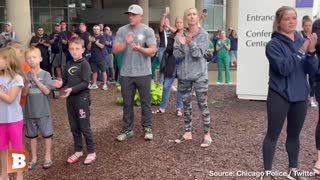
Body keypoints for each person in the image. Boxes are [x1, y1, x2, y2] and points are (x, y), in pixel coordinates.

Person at [261, 6, 318, 180]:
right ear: (279, 22)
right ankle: (267, 173)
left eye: (294, 18)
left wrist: (311, 53)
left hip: (300, 95)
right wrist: (301, 51)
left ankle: (293, 170)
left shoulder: (302, 40)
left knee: (294, 136)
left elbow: (311, 69)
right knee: (273, 134)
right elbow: (284, 68)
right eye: (287, 18)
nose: (292, 21)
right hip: (279, 94)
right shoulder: (273, 44)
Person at [113, 4, 157, 142]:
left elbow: (153, 51)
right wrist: (126, 43)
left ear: (140, 16)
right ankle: (127, 130)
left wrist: (140, 49)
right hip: (126, 73)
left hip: (143, 72)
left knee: (146, 103)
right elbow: (115, 50)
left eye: (133, 14)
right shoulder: (122, 30)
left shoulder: (148, 30)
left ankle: (147, 128)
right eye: (129, 14)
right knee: (127, 103)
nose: (130, 17)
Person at [51, 37, 96, 165]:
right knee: (74, 126)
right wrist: (60, 84)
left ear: (83, 49)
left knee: (84, 126)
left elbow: (86, 83)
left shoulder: (85, 64)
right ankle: (78, 150)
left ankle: (92, 152)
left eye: (77, 49)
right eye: (72, 49)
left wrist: (72, 88)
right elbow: (65, 79)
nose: (74, 51)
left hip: (82, 99)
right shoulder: (69, 64)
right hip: (70, 99)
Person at [173, 8, 212, 148]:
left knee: (203, 104)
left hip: (200, 76)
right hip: (184, 75)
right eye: (189, 14)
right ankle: (187, 132)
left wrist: (190, 43)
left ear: (197, 17)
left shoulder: (204, 35)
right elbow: (176, 55)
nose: (192, 16)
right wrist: (183, 45)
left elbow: (198, 54)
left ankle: (207, 134)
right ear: (186, 18)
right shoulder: (180, 35)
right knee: (186, 105)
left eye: (194, 14)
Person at [24, 47, 54, 170]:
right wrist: (27, 82)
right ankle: (34, 158)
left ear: (40, 59)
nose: (31, 60)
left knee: (47, 135)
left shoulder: (46, 74)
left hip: (43, 111)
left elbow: (47, 91)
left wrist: (36, 79)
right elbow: (24, 94)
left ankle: (47, 157)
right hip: (30, 112)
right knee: (32, 137)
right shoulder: (25, 75)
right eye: (29, 58)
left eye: (34, 57)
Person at [0, 47, 25, 180]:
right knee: (2, 148)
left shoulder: (17, 78)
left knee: (17, 148)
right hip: (1, 120)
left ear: (7, 60)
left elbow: (10, 99)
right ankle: (4, 174)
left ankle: (19, 175)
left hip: (14, 119)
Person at [152, 17, 184, 117]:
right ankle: (162, 108)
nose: (178, 24)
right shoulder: (172, 36)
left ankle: (179, 108)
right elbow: (169, 50)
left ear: (183, 24)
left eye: (180, 22)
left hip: (182, 64)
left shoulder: (186, 35)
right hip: (171, 63)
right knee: (166, 86)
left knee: (181, 88)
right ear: (176, 24)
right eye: (177, 22)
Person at [88, 25, 107, 91]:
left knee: (103, 71)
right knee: (94, 72)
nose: (96, 30)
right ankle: (94, 84)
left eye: (97, 29)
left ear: (99, 30)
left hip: (101, 57)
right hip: (93, 58)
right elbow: (88, 47)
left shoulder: (102, 37)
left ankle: (104, 84)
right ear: (93, 30)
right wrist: (90, 41)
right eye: (94, 29)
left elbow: (102, 46)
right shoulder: (92, 38)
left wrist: (95, 42)